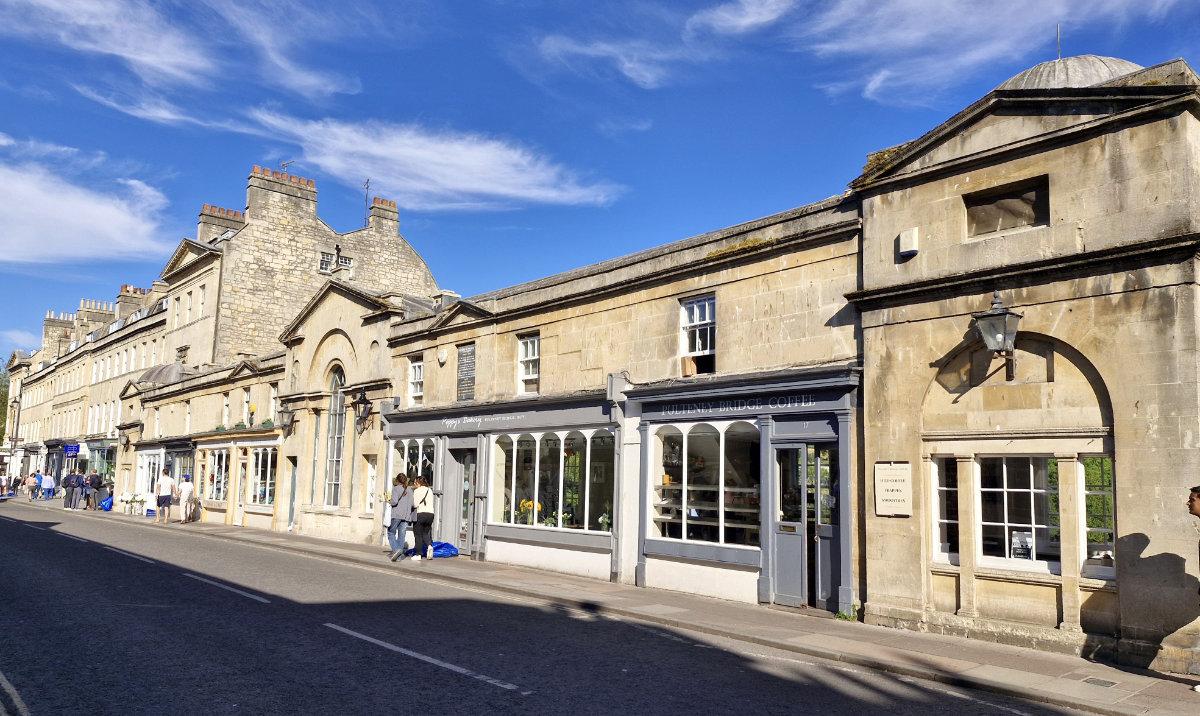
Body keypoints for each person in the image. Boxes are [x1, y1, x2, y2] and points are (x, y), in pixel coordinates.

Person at [387, 475, 413, 561]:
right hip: (406, 515)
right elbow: (412, 504)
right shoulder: (409, 489)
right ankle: (400, 556)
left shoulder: (396, 488)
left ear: (397, 480)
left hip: (397, 514)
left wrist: (387, 500)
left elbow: (394, 502)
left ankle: (396, 550)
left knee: (391, 532)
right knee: (402, 535)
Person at [411, 475, 435, 562]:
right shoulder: (430, 490)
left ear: (418, 483)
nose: (414, 484)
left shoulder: (417, 491)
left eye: (415, 482)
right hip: (430, 514)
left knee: (418, 534)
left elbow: (415, 504)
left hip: (421, 514)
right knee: (425, 533)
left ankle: (418, 554)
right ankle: (429, 546)